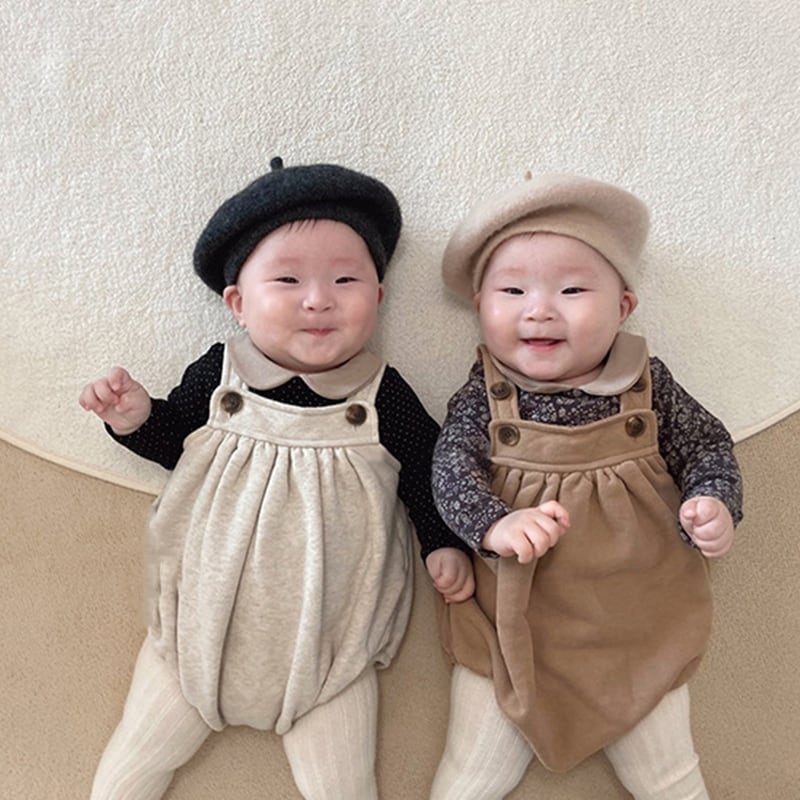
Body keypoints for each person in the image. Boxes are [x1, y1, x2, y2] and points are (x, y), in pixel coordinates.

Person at [79, 157, 474, 800]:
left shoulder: (383, 397)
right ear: (237, 303)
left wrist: (442, 543)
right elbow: (179, 447)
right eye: (288, 280)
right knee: (135, 760)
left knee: (345, 786)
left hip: (328, 652)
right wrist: (136, 418)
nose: (318, 299)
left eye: (345, 279)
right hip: (196, 635)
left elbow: (429, 474)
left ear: (378, 296)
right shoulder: (219, 377)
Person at [428, 172, 743, 800]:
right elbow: (450, 467)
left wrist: (714, 502)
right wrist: (493, 524)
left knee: (669, 774)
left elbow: (707, 445)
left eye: (572, 290)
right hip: (512, 628)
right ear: (481, 304)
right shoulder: (485, 395)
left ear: (623, 307)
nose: (540, 309)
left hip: (635, 625)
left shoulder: (646, 383)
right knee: (470, 773)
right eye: (512, 290)